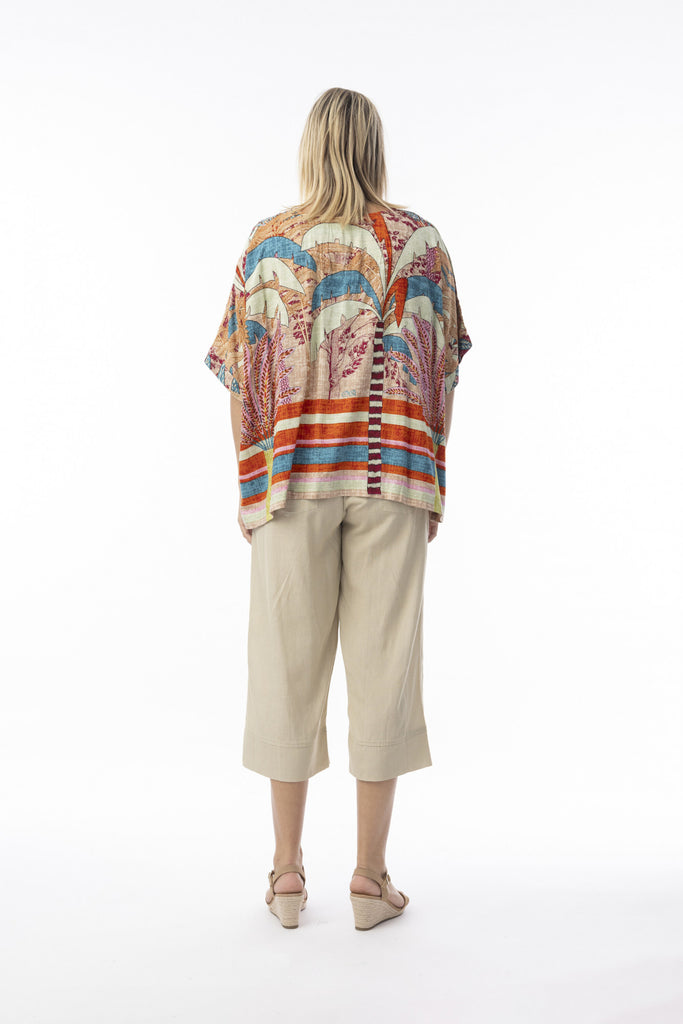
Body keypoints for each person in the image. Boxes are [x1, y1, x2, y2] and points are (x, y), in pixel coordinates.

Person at [204, 87, 472, 930]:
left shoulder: (268, 242)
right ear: (373, 147)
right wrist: (432, 478)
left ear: (311, 146)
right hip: (394, 474)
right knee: (385, 665)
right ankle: (368, 876)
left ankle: (286, 874)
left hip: (291, 480)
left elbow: (240, 376)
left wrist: (250, 486)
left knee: (284, 667)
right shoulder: (421, 243)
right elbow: (442, 370)